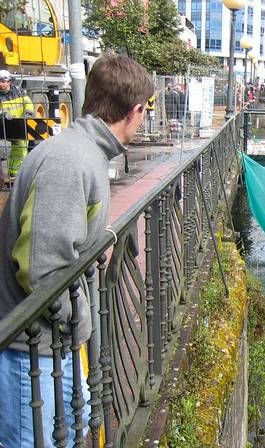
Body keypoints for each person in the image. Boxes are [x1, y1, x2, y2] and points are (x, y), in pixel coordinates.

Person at [0, 53, 154, 447]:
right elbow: (40, 271)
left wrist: (91, 244)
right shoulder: (71, 162)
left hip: (52, 344)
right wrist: (79, 316)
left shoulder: (83, 153)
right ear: (135, 111)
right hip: (31, 352)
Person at [0, 69, 35, 180]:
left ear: (9, 81)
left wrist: (28, 113)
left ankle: (15, 173)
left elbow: (28, 103)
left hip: (18, 124)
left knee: (20, 148)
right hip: (2, 125)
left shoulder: (19, 92)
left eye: (3, 81)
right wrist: (2, 114)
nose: (1, 84)